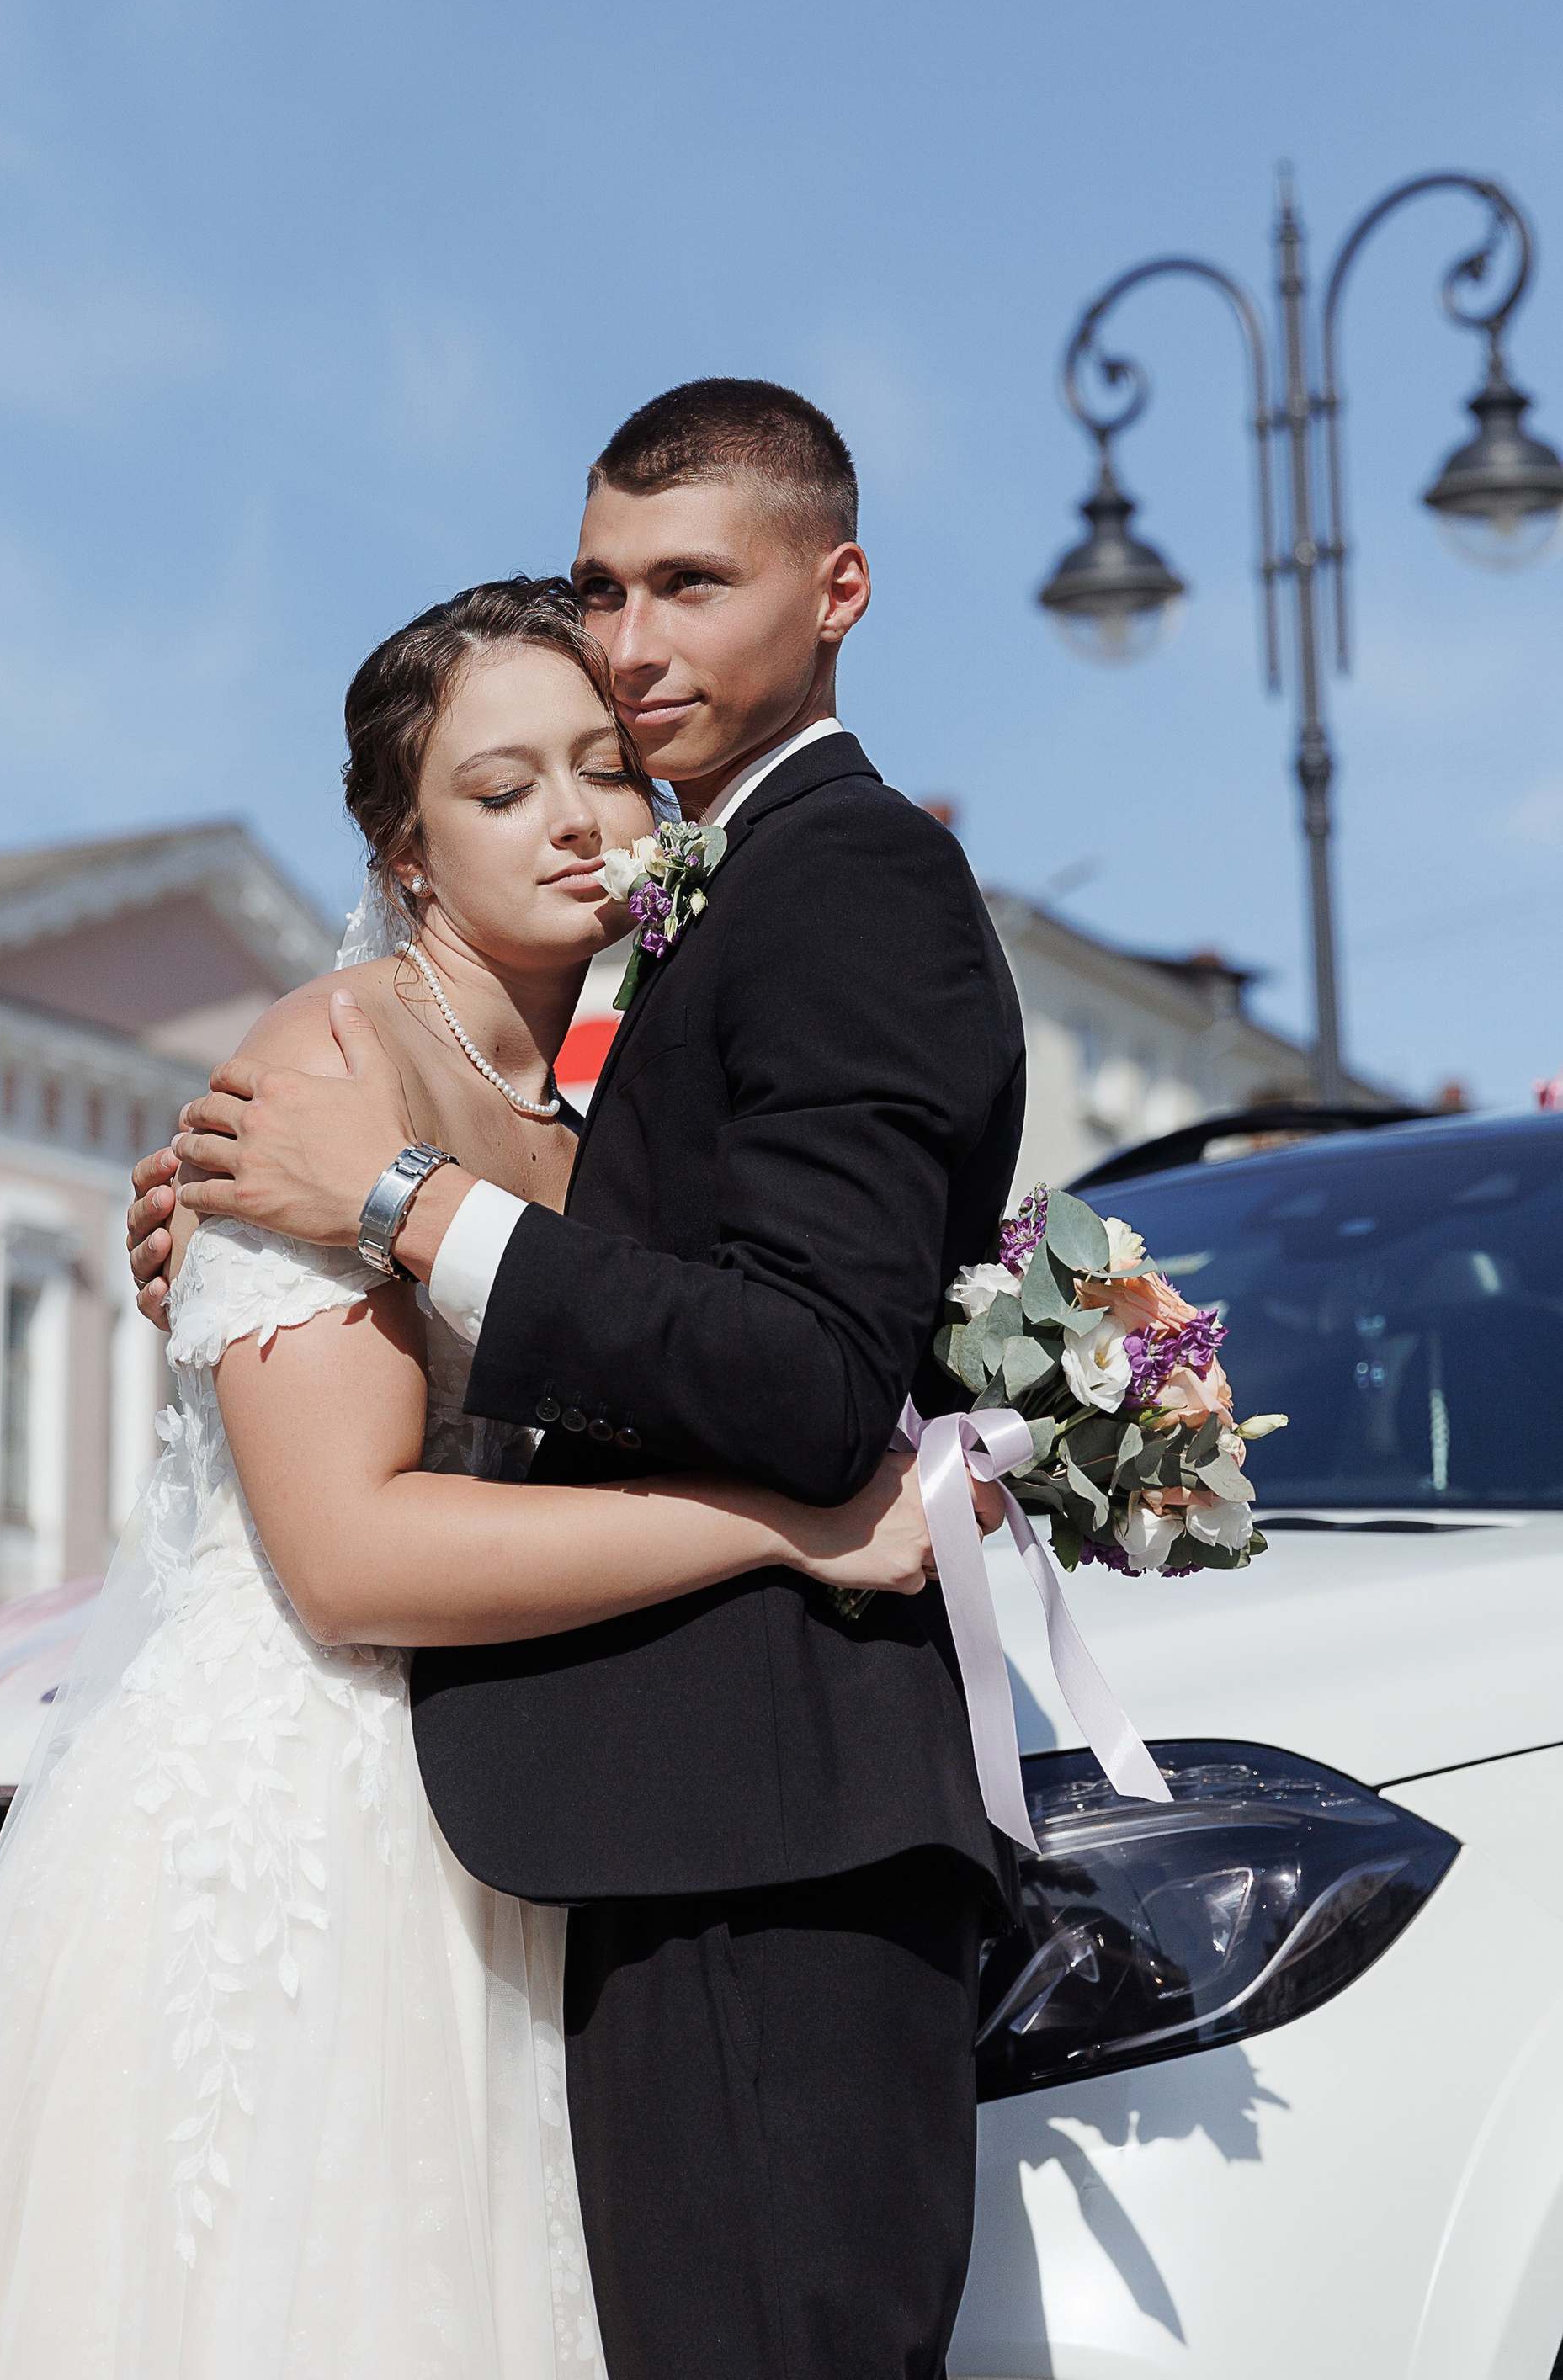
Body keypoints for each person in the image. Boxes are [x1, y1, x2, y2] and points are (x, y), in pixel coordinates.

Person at [0, 573, 955, 2380]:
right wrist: (783, 1527)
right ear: (404, 849)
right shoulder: (329, 1062)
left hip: (507, 1796)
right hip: (301, 1814)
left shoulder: (608, 1087)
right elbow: (347, 1555)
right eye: (501, 790)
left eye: (604, 767)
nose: (577, 822)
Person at [130, 379, 1029, 2380]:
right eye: (606, 590)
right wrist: (294, 1229)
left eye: (688, 587)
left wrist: (386, 1204)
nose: (632, 658)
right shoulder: (558, 992)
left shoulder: (836, 876)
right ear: (402, 847)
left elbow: (797, 1364)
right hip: (557, 1815)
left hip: (746, 1817)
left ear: (839, 588)